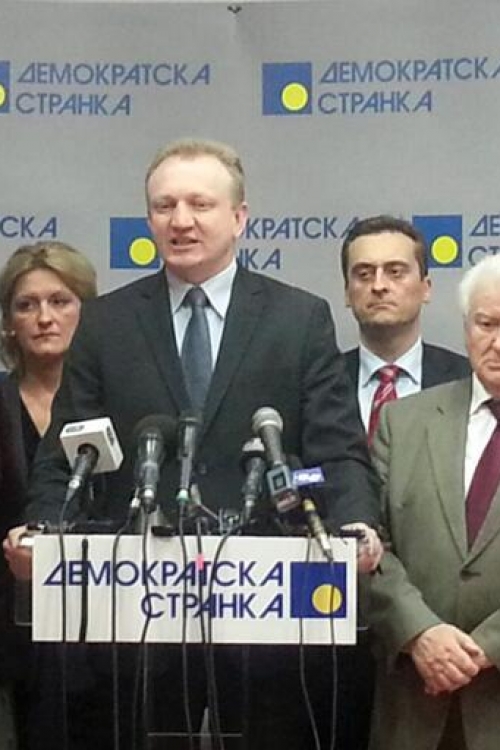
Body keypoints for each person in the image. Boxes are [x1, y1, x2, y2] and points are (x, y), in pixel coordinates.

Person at [5, 139, 383, 750]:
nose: (180, 220)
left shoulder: (299, 317)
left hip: (267, 614)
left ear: (239, 217)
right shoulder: (107, 323)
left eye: (200, 204)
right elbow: (64, 455)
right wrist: (41, 532)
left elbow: (336, 450)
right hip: (136, 617)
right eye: (165, 206)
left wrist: (358, 524)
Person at [335, 215, 470, 750]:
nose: (379, 285)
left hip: (434, 639)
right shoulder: (313, 383)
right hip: (330, 633)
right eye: (363, 273)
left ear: (426, 286)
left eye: (396, 271)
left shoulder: (470, 384)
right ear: (347, 291)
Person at [366, 253, 500, 750]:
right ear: (465, 327)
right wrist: (420, 632)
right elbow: (370, 545)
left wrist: (482, 649)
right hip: (413, 708)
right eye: (486, 324)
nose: (497, 342)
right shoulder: (404, 421)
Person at [0, 240, 97, 750]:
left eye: (60, 301)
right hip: (7, 627)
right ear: (8, 323)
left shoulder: (117, 404)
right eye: (26, 305)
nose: (44, 318)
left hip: (98, 625)